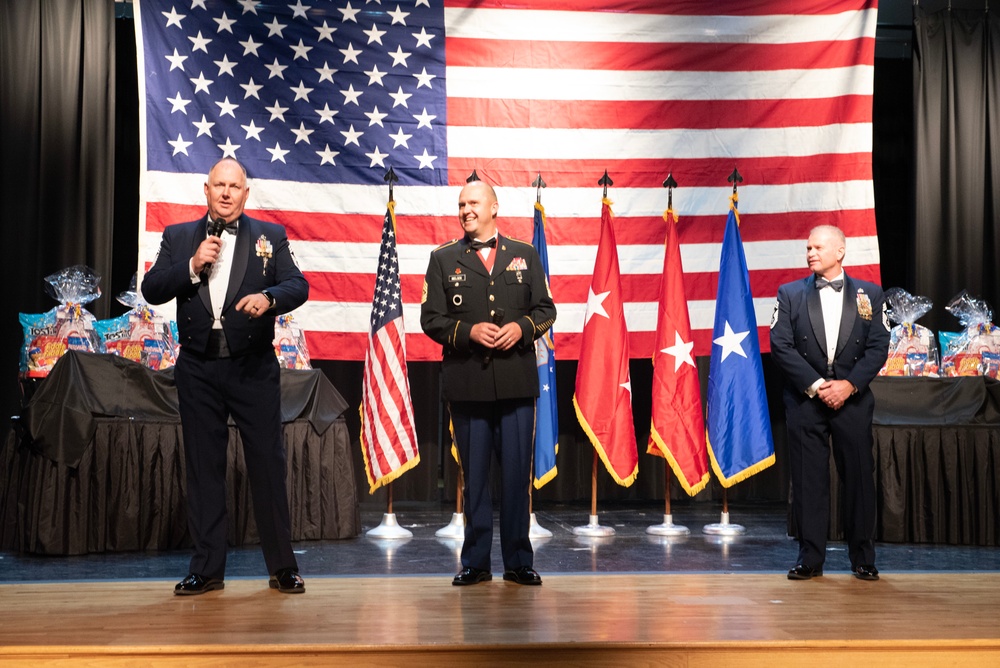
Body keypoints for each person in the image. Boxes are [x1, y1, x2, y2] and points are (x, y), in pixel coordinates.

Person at [142, 157, 309, 595]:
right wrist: (192, 266)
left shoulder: (269, 237)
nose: (227, 193)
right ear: (207, 189)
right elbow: (152, 288)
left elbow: (298, 285)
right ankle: (207, 569)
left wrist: (270, 298)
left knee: (268, 467)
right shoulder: (179, 238)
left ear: (245, 193)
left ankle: (283, 568)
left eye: (235, 186)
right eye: (220, 185)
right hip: (198, 367)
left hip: (252, 367)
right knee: (203, 468)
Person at [420, 180, 556, 586]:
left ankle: (518, 561)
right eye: (461, 204)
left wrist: (523, 328)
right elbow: (431, 319)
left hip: (517, 383)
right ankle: (475, 563)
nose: (466, 210)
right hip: (468, 384)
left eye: (473, 203)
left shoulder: (525, 254)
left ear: (494, 207)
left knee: (516, 478)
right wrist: (467, 332)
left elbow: (547, 309)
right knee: (474, 478)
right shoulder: (443, 258)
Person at [769, 224, 889, 582]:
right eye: (807, 248)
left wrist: (849, 385)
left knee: (858, 480)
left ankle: (863, 558)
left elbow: (878, 345)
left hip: (852, 401)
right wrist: (819, 385)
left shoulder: (870, 294)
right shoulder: (789, 294)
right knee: (809, 481)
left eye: (818, 247)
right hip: (807, 401)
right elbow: (781, 345)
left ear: (840, 252)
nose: (810, 253)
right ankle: (810, 558)